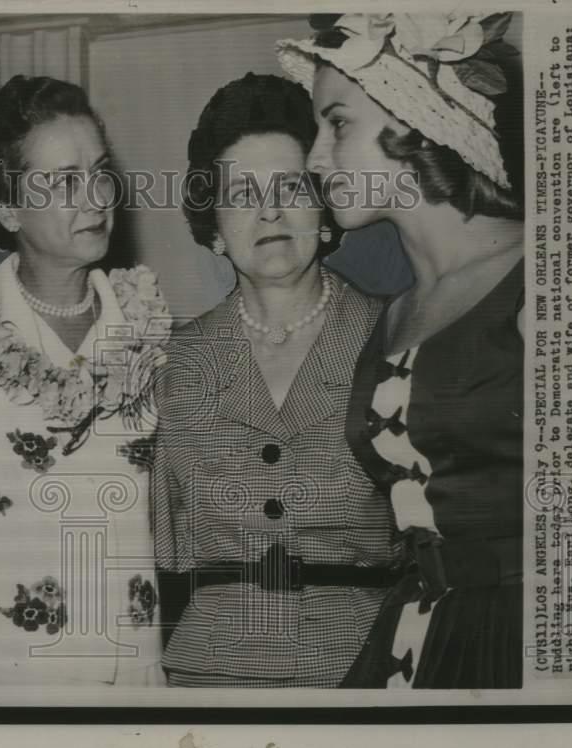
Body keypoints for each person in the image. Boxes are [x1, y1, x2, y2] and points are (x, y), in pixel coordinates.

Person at [278, 12, 525, 688]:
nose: (314, 159)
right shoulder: (393, 317)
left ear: (411, 121)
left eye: (337, 124)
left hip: (515, 648)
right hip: (409, 641)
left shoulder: (547, 277)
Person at [152, 73, 404, 687]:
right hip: (207, 680)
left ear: (324, 210)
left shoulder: (395, 339)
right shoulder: (172, 363)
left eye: (290, 186)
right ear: (212, 226)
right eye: (241, 193)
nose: (269, 211)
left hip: (362, 671)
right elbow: (163, 552)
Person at [0, 76, 168, 686]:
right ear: (8, 208)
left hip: (129, 679)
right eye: (63, 181)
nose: (95, 198)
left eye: (99, 171)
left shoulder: (150, 329)